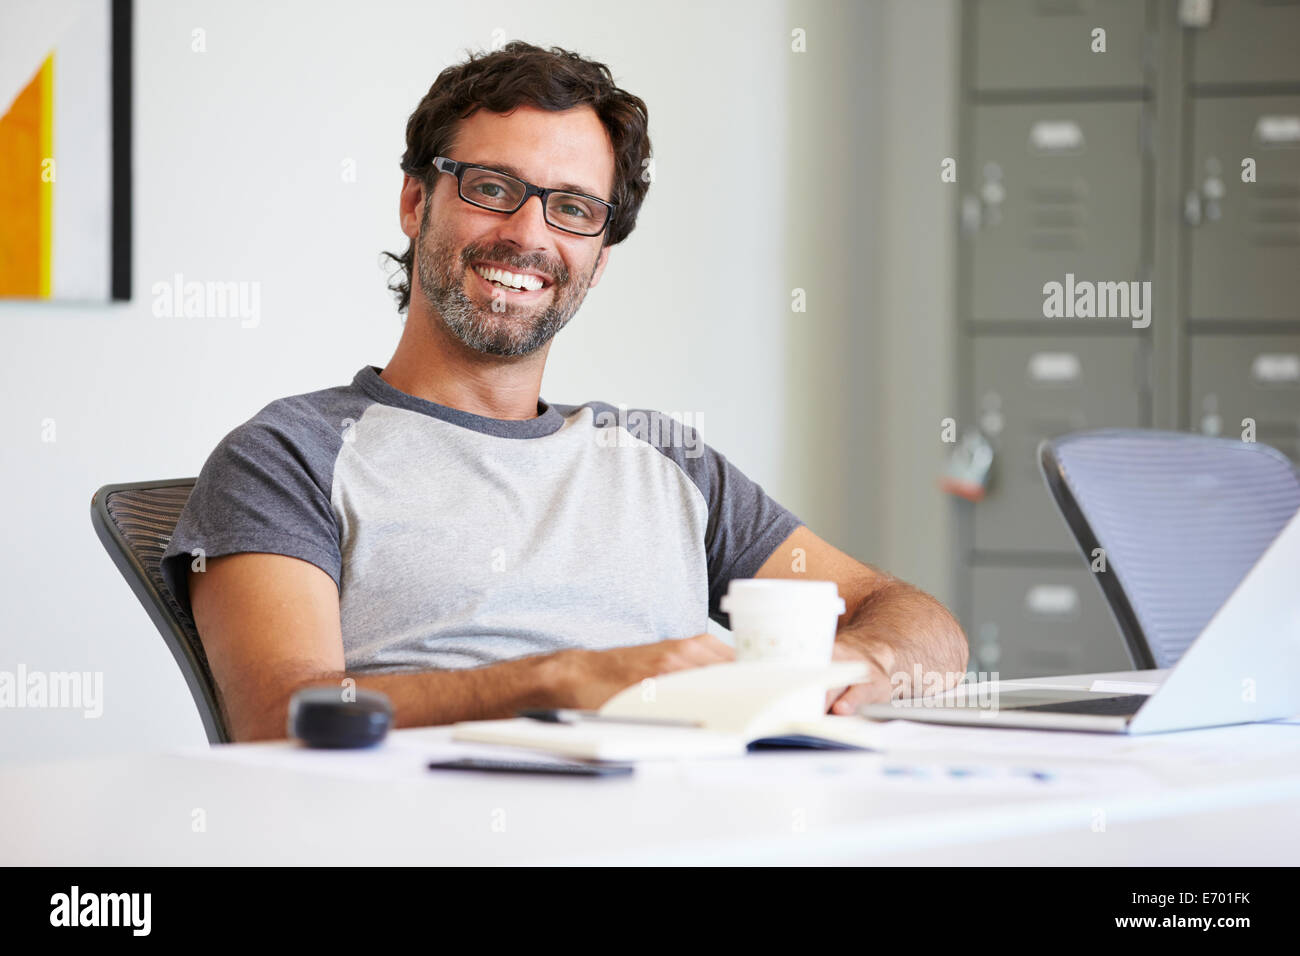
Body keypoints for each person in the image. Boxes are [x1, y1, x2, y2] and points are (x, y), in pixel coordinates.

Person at [160, 41, 967, 742]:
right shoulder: (287, 455)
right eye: (491, 188)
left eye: (573, 209)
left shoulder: (666, 458)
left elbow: (916, 620)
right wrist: (556, 684)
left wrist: (868, 659)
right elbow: (279, 718)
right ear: (416, 203)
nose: (529, 234)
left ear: (599, 258)